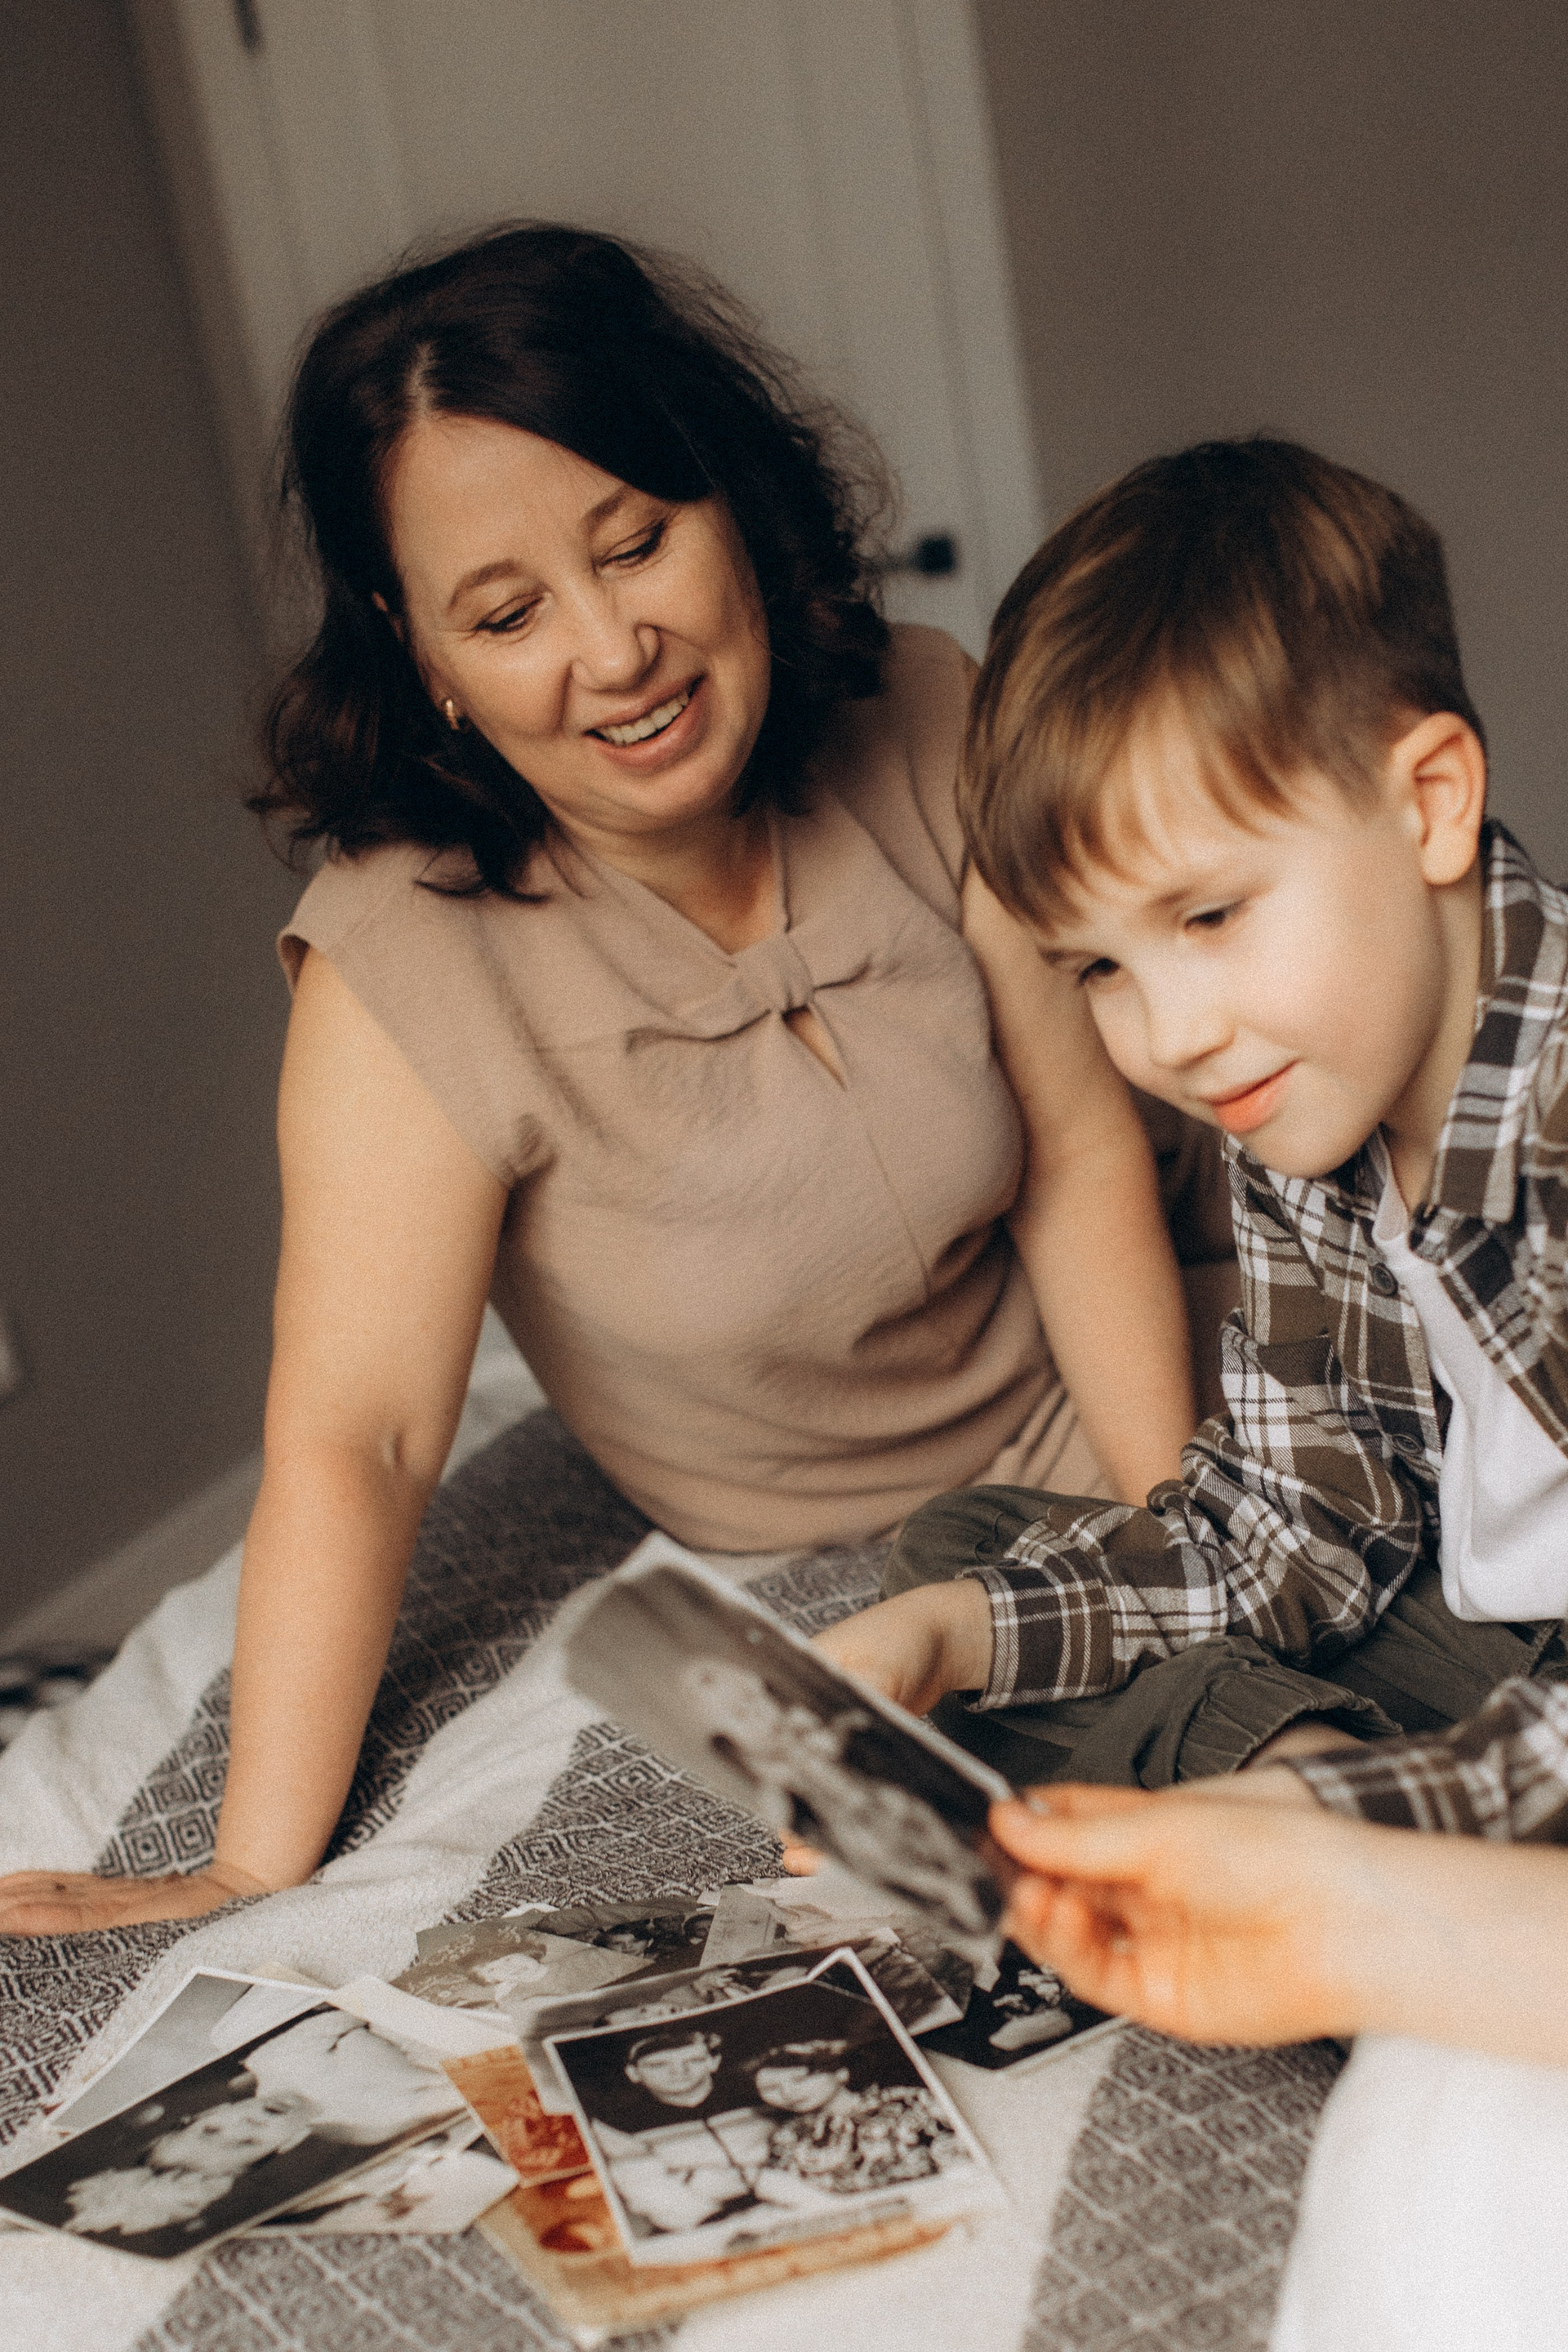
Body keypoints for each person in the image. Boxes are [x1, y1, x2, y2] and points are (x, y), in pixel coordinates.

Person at [2, 224, 1222, 1937]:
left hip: (1174, 1323)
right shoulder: (400, 966)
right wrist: (246, 1867)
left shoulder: (929, 708)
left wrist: (1187, 1546)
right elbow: (362, 1436)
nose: (615, 650)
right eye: (508, 614)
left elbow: (1083, 1162)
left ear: (730, 501)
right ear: (424, 655)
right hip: (866, 1529)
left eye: (638, 543)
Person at [814, 434, 1568, 1798]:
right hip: (1502, 1650)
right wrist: (956, 1635)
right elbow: (1301, 1527)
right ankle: (1303, 1785)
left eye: (1210, 916)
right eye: (1099, 969)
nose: (1172, 1039)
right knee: (957, 1566)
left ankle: (1336, 1831)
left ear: (1429, 803)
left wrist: (1380, 1810)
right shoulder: (1297, 1102)